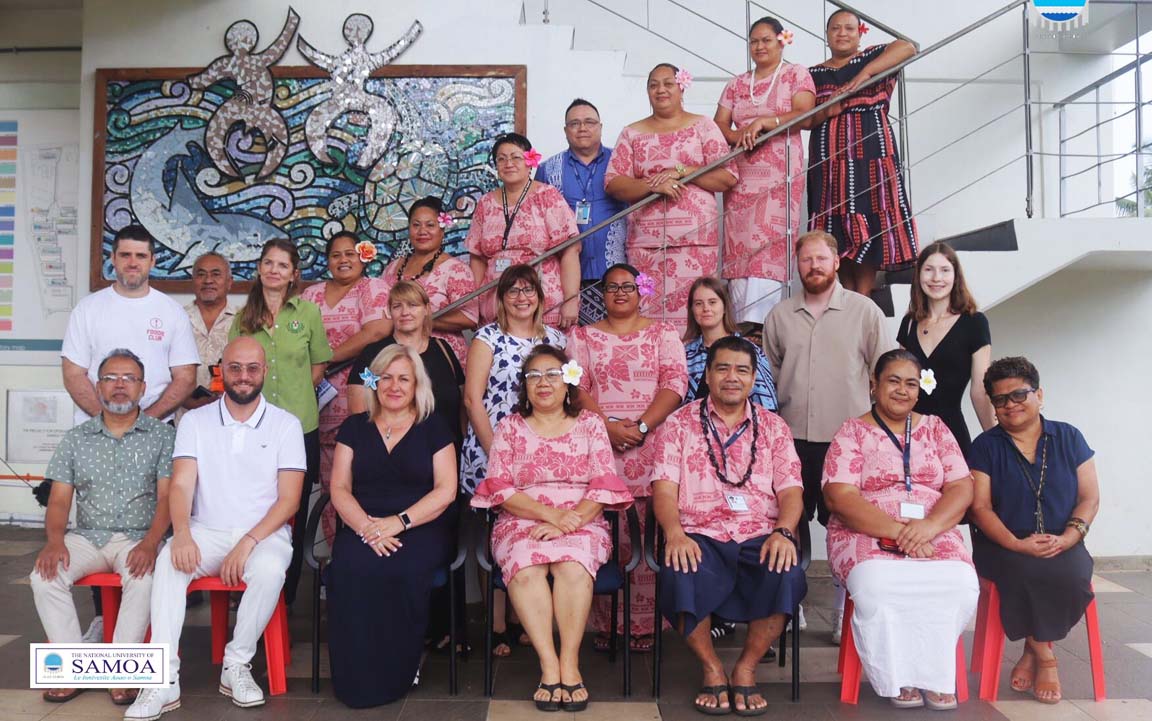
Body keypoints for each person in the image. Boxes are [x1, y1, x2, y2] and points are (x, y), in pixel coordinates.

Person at [124, 338, 305, 720]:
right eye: (235, 368)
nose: (243, 377)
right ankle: (161, 680)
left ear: (264, 371)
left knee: (271, 569)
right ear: (221, 370)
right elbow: (182, 485)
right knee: (169, 563)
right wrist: (183, 534)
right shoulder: (195, 421)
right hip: (206, 530)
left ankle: (236, 664)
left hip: (263, 534)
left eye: (252, 368)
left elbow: (289, 500)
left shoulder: (286, 425)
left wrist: (248, 542)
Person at [472, 345, 633, 711]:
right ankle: (548, 665)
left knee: (572, 566)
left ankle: (570, 664)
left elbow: (604, 484)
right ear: (524, 386)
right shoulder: (510, 427)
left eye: (552, 375)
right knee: (525, 568)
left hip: (582, 519)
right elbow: (500, 488)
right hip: (521, 519)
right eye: (533, 376)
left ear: (568, 383)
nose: (542, 383)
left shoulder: (591, 424)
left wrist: (566, 522)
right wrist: (549, 515)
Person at [652, 336, 806, 715]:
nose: (731, 377)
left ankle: (746, 667)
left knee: (785, 572)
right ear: (706, 375)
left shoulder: (773, 428)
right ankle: (711, 667)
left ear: (754, 379)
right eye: (722, 368)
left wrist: (784, 531)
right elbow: (664, 490)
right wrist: (674, 533)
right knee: (679, 569)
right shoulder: (679, 424)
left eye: (741, 370)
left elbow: (791, 491)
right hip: (698, 532)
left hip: (759, 531)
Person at [822, 349, 978, 710]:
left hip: (932, 530)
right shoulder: (852, 432)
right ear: (874, 385)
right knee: (878, 583)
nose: (902, 390)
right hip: (866, 532)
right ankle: (899, 676)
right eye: (893, 380)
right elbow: (839, 496)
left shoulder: (937, 429)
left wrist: (929, 527)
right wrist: (897, 531)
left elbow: (961, 486)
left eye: (911, 383)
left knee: (959, 584)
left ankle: (936, 674)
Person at [763, 230, 893, 641]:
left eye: (821, 259)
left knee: (847, 523)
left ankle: (844, 610)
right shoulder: (780, 316)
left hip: (848, 443)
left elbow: (884, 373)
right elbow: (768, 377)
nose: (814, 266)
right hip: (790, 441)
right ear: (797, 265)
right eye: (806, 260)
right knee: (791, 522)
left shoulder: (865, 312)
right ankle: (792, 605)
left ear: (837, 262)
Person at [31, 349, 174, 707]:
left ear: (143, 388)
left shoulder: (163, 436)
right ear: (98, 387)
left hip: (140, 537)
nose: (120, 386)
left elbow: (168, 498)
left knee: (143, 579)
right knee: (43, 576)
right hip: (88, 536)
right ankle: (69, 669)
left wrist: (152, 542)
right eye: (110, 378)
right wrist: (53, 541)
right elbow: (60, 500)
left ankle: (122, 675)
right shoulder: (76, 438)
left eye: (129, 379)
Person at [327, 344, 458, 707]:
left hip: (420, 525)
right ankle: (356, 674)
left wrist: (397, 523)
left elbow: (446, 491)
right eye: (386, 378)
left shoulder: (434, 426)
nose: (395, 386)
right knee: (351, 569)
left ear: (417, 384)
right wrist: (368, 528)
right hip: (362, 523)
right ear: (375, 382)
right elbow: (338, 487)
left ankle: (402, 666)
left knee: (399, 570)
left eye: (404, 378)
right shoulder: (355, 427)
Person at [567, 263, 688, 652]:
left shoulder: (664, 333)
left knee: (649, 535)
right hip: (600, 446)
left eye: (628, 286)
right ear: (601, 295)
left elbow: (675, 383)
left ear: (642, 291)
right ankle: (608, 624)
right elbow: (575, 387)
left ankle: (648, 625)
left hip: (652, 446)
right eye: (611, 287)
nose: (620, 293)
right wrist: (607, 427)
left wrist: (641, 428)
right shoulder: (581, 336)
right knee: (607, 533)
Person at [968, 357, 1099, 705]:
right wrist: (1016, 543)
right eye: (1000, 399)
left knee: (1072, 576)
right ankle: (1046, 657)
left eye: (1019, 395)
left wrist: (1070, 537)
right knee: (1024, 570)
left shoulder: (1069, 437)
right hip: (1002, 544)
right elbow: (980, 508)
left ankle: (1029, 648)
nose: (1010, 405)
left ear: (1039, 394)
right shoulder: (985, 446)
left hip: (1062, 539)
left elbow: (1089, 498)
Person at [460, 264, 566, 656]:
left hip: (541, 457)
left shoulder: (556, 338)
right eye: (513, 292)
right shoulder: (487, 338)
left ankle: (527, 618)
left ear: (540, 296)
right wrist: (498, 454)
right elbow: (473, 400)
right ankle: (498, 624)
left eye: (529, 291)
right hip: (491, 451)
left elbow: (564, 396)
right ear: (500, 299)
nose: (522, 298)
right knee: (495, 536)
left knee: (532, 528)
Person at [229, 239, 332, 608]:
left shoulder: (308, 313)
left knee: (294, 509)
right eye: (268, 263)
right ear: (259, 269)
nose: (274, 270)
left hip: (298, 426)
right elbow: (231, 368)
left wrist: (296, 393)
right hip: (251, 428)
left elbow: (318, 364)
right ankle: (244, 589)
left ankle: (283, 599)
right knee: (250, 505)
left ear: (294, 275)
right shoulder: (243, 317)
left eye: (282, 265)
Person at [606, 64, 737, 333]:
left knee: (700, 313)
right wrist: (653, 186)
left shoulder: (703, 126)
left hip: (696, 244)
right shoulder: (632, 133)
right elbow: (613, 183)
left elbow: (727, 177)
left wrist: (684, 171)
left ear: (681, 86)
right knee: (648, 319)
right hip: (647, 248)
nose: (660, 89)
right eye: (653, 84)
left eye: (667, 83)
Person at [807, 10, 919, 299]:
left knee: (868, 217)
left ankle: (864, 295)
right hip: (827, 155)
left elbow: (908, 46)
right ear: (827, 34)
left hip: (870, 150)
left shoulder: (872, 57)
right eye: (835, 28)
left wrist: (865, 74)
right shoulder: (813, 73)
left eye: (849, 28)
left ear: (860, 33)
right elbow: (805, 116)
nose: (842, 33)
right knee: (834, 222)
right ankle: (847, 293)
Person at [715, 17, 815, 325]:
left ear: (781, 41)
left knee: (768, 249)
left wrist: (763, 124)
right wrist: (741, 136)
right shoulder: (736, 83)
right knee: (740, 252)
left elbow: (806, 115)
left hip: (778, 174)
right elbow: (719, 124)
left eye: (766, 40)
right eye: (754, 41)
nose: (759, 46)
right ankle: (738, 331)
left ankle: (763, 332)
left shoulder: (795, 74)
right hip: (742, 174)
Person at [62, 224, 199, 425]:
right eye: (125, 255)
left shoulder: (173, 312)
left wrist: (144, 422)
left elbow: (186, 378)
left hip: (155, 427)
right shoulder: (86, 309)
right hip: (94, 427)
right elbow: (73, 374)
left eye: (141, 256)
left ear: (152, 261)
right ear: (113, 258)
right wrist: (107, 421)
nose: (133, 262)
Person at [300, 231, 389, 518]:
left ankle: (365, 545)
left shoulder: (372, 287)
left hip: (360, 394)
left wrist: (326, 359)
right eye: (336, 255)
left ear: (363, 257)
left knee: (361, 476)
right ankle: (332, 556)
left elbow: (377, 330)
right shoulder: (310, 294)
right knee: (328, 483)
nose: (343, 260)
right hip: (317, 399)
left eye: (350, 253)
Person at [467, 133, 581, 328]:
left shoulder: (546, 195)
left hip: (541, 296)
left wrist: (571, 300)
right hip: (496, 299)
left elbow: (570, 249)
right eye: (501, 159)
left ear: (530, 161)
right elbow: (477, 256)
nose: (508, 163)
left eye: (515, 157)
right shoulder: (485, 203)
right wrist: (475, 303)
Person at [897, 241, 994, 456]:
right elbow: (899, 383)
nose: (936, 278)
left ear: (955, 276)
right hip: (909, 434)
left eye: (944, 270)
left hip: (953, 434)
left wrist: (995, 438)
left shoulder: (974, 322)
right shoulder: (909, 323)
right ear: (919, 275)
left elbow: (980, 390)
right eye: (929, 270)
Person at [541, 99, 627, 325]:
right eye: (575, 123)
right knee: (571, 347)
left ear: (600, 127)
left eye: (589, 122)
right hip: (563, 279)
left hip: (616, 272)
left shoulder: (621, 162)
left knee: (611, 341)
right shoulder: (547, 169)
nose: (582, 128)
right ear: (565, 130)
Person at [379, 197, 478, 363]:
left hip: (441, 356)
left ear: (442, 229)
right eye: (416, 225)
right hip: (396, 356)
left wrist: (422, 319)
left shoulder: (456, 270)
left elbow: (469, 317)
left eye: (430, 225)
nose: (422, 231)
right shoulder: (392, 267)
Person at [683, 277, 777, 411]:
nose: (706, 308)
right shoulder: (685, 354)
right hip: (692, 429)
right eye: (698, 303)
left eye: (712, 302)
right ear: (691, 310)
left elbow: (767, 404)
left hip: (742, 429)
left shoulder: (750, 351)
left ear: (725, 307)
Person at [179, 252, 238, 419]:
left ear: (229, 282)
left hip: (231, 415)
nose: (208, 280)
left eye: (216, 274)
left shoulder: (244, 321)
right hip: (184, 416)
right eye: (201, 274)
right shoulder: (176, 318)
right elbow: (163, 370)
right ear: (193, 281)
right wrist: (187, 401)